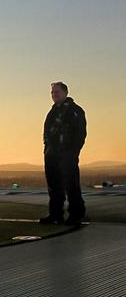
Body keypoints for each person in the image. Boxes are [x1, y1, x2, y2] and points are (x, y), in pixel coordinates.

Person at [41, 81, 86, 226]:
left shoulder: (75, 110)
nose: (54, 95)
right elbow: (46, 133)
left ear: (65, 93)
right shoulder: (52, 112)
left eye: (57, 92)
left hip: (68, 155)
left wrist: (73, 153)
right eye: (52, 92)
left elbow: (80, 134)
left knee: (71, 186)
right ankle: (55, 215)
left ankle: (76, 215)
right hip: (52, 155)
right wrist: (47, 150)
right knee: (54, 187)